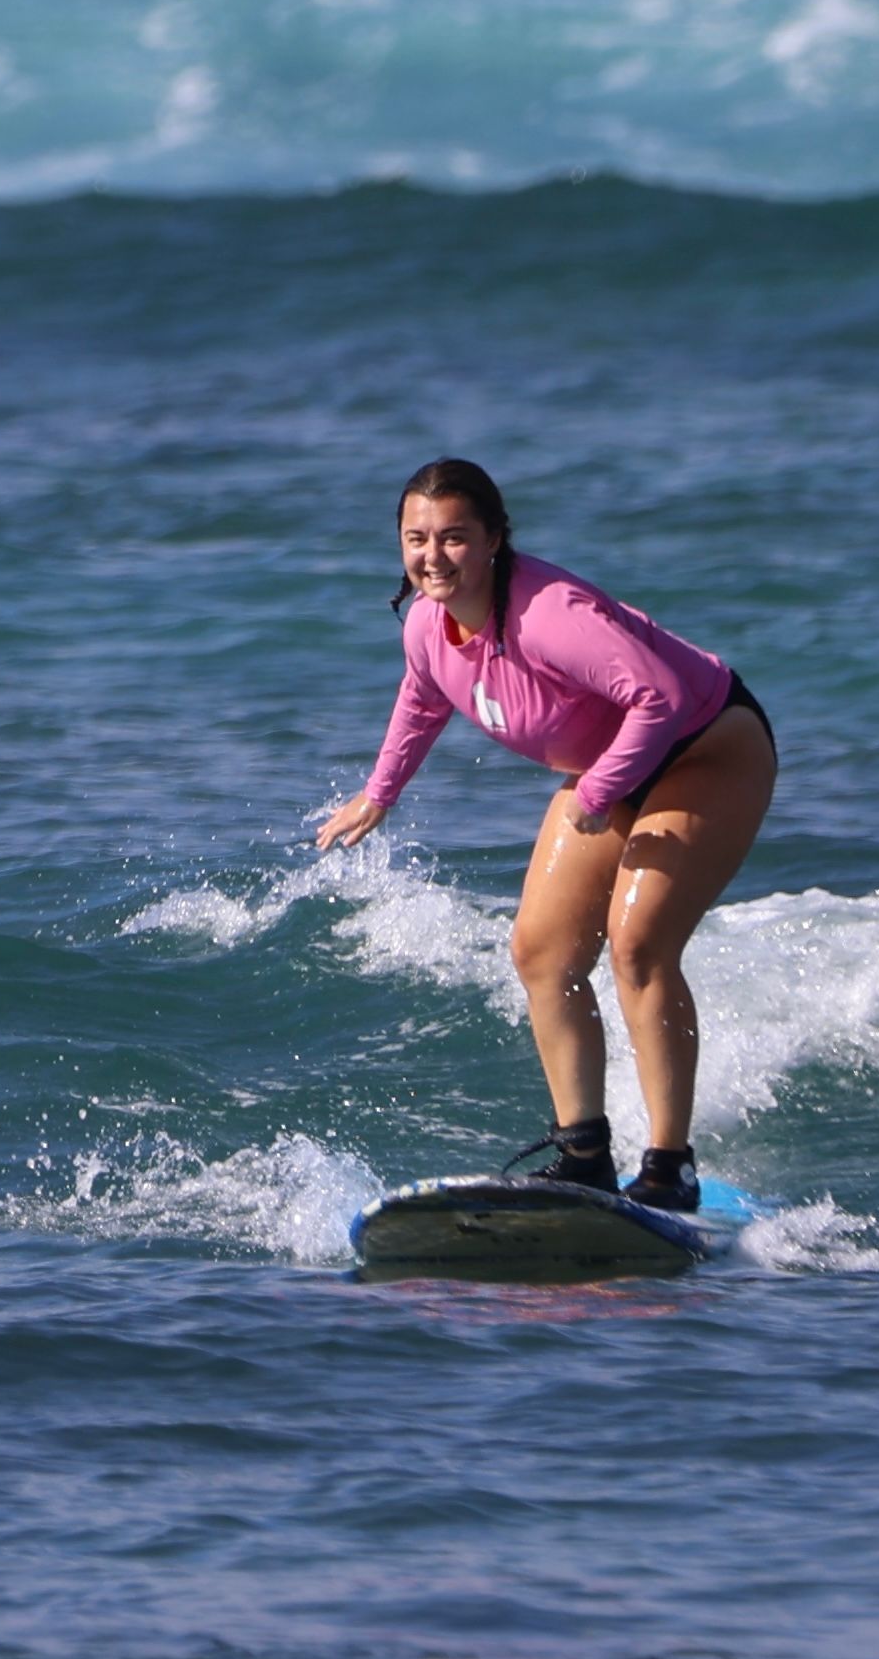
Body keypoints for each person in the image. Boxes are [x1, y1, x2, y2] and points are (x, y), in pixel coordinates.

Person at [316, 459, 776, 1212]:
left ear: (496, 538)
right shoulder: (429, 625)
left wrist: (596, 791)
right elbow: (424, 698)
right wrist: (380, 793)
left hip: (706, 747)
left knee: (639, 946)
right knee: (541, 951)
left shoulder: (550, 614)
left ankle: (670, 1169)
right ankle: (584, 1156)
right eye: (416, 538)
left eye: (455, 537)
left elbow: (657, 698)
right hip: (613, 769)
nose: (433, 556)